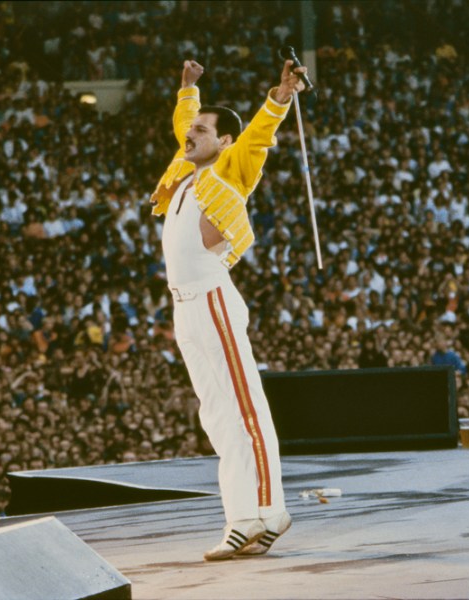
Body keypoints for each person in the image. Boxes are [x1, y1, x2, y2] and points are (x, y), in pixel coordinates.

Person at [148, 58, 306, 560]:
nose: (190, 135)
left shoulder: (230, 170)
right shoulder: (185, 172)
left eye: (202, 131)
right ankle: (241, 519)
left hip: (213, 298)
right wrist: (187, 92)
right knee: (217, 415)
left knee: (246, 409)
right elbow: (184, 128)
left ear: (223, 143)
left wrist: (279, 96)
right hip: (184, 308)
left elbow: (256, 136)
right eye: (191, 130)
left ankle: (269, 510)